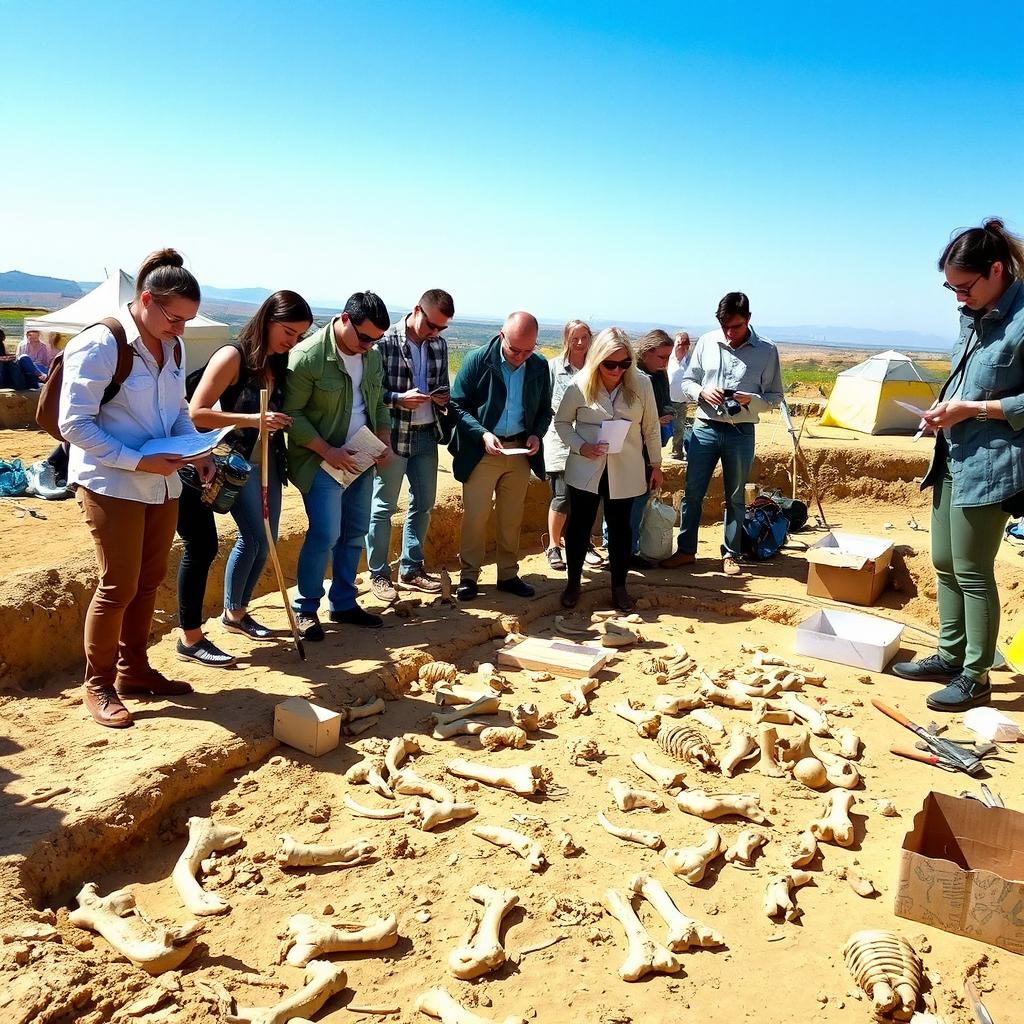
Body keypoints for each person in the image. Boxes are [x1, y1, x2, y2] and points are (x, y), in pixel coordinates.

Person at [58, 248, 215, 728]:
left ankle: (134, 671)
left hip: (160, 484)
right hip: (111, 482)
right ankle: (98, 684)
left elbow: (177, 409)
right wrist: (137, 459)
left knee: (148, 581)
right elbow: (74, 424)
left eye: (187, 321)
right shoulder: (102, 344)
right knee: (117, 584)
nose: (181, 329)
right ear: (146, 300)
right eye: (175, 318)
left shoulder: (173, 345)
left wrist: (199, 448)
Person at [892, 218, 1024, 712]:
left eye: (964, 287)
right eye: (950, 287)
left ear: (996, 270)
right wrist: (945, 412)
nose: (957, 297)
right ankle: (951, 654)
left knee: (972, 569)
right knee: (945, 563)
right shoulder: (972, 314)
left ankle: (977, 675)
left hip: (994, 463)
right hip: (954, 453)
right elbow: (969, 380)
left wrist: (974, 410)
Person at [175, 290, 313, 665]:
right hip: (234, 463)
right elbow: (198, 412)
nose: (292, 341)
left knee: (265, 540)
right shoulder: (231, 355)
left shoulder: (278, 362)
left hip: (268, 463)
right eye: (289, 331)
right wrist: (254, 420)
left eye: (299, 336)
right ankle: (231, 612)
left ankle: (237, 612)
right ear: (268, 320)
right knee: (253, 536)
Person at [284, 291, 393, 640]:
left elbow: (377, 404)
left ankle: (344, 603)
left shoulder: (371, 356)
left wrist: (384, 440)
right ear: (345, 319)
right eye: (364, 337)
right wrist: (327, 450)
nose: (368, 346)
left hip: (361, 455)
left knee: (355, 531)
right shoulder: (307, 357)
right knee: (325, 534)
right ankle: (306, 609)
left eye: (376, 340)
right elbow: (292, 415)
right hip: (320, 460)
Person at [662, 292, 783, 577]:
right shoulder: (706, 341)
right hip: (704, 427)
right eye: (725, 325)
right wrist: (702, 391)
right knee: (692, 491)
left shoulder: (767, 350)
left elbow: (775, 396)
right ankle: (686, 551)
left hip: (742, 431)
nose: (729, 333)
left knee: (736, 495)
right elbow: (688, 380)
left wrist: (750, 399)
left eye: (736, 326)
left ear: (749, 320)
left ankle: (731, 553)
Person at [555, 327, 662, 611]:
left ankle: (619, 587)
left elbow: (651, 428)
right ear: (598, 359)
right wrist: (581, 446)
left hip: (625, 468)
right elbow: (562, 424)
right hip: (586, 468)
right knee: (578, 526)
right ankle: (573, 583)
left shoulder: (642, 384)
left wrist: (656, 465)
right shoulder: (578, 385)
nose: (617, 370)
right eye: (610, 364)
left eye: (624, 363)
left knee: (620, 529)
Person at [449, 311, 552, 601]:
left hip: (519, 450)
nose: (520, 356)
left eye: (528, 350)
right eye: (514, 350)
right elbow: (457, 406)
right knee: (476, 517)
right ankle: (468, 577)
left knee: (511, 518)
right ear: (501, 335)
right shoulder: (477, 360)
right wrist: (481, 433)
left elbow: (544, 410)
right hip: (483, 451)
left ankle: (508, 574)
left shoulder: (539, 366)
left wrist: (536, 435)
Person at [365, 289, 454, 603]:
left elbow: (442, 386)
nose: (436, 333)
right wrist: (398, 400)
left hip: (427, 434)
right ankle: (378, 575)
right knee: (383, 507)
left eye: (442, 328)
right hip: (394, 434)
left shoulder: (438, 346)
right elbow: (372, 394)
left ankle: (411, 568)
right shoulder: (384, 343)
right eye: (433, 325)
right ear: (417, 311)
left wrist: (442, 397)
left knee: (424, 503)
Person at [543, 319, 592, 571]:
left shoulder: (596, 368)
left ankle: (583, 544)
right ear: (567, 340)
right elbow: (543, 404)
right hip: (559, 438)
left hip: (589, 440)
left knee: (584, 496)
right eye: (575, 338)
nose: (581, 343)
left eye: (585, 337)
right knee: (561, 496)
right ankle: (553, 545)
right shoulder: (553, 368)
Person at [629, 329, 675, 564]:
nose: (666, 363)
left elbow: (665, 403)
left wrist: (664, 416)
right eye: (662, 357)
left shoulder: (659, 375)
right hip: (630, 449)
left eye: (669, 357)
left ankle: (631, 550)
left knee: (640, 499)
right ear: (646, 352)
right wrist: (652, 421)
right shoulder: (630, 375)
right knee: (623, 502)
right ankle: (619, 550)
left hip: (651, 449)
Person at [668, 330, 692, 460]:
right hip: (665, 401)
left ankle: (677, 451)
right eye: (679, 344)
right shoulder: (667, 360)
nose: (682, 347)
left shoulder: (690, 363)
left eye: (685, 345)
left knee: (679, 428)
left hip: (681, 403)